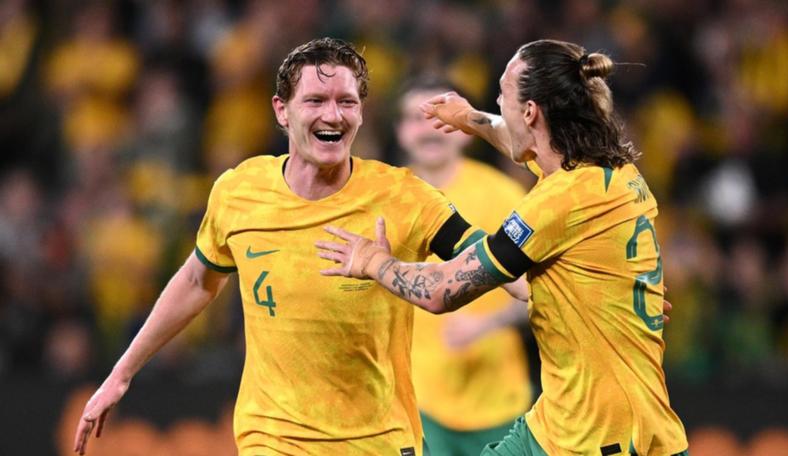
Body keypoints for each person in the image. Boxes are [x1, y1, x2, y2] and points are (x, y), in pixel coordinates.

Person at [73, 37, 524, 456]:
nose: (333, 115)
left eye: (347, 101)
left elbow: (499, 266)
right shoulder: (239, 192)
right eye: (315, 100)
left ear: (362, 113)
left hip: (377, 440)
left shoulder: (404, 197)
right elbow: (197, 280)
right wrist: (122, 372)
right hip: (272, 436)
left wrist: (388, 267)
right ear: (281, 111)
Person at [317, 39, 689, 455]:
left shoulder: (559, 202)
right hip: (560, 422)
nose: (497, 102)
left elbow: (443, 290)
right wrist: (469, 119)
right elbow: (519, 142)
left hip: (603, 434)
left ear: (530, 112)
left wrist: (374, 261)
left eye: (502, 94)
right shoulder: (609, 172)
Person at [396, 77, 533, 455]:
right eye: (415, 118)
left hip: (498, 400)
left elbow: (542, 292)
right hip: (416, 400)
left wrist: (487, 323)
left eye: (439, 119)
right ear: (400, 132)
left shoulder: (504, 196)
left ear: (464, 131)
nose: (428, 131)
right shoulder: (387, 198)